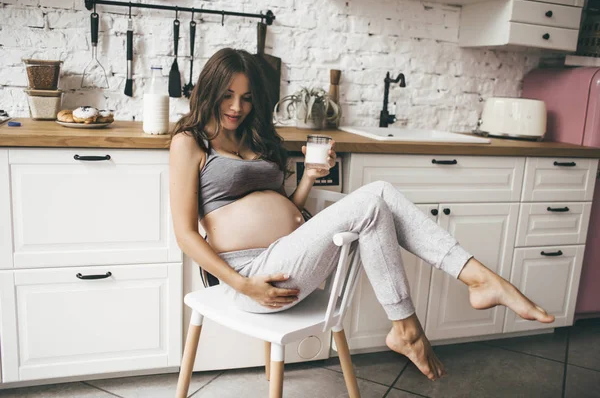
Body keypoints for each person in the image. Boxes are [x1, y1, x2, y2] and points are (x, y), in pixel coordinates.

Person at [169, 48, 555, 382]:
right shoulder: (189, 142)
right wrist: (242, 284)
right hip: (255, 280)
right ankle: (422, 318)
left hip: (290, 257)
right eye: (228, 96)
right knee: (373, 200)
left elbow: (288, 207)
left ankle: (470, 286)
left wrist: (309, 179)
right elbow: (186, 234)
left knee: (379, 195)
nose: (237, 107)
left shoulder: (253, 137)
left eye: (248, 97)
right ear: (209, 92)